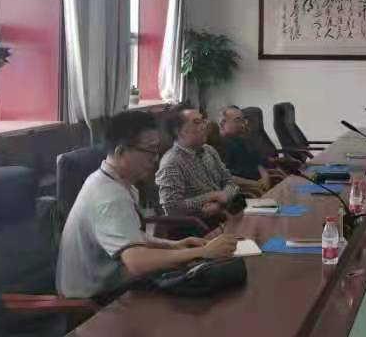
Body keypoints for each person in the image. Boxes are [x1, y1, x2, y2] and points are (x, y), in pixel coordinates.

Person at [56, 111, 238, 300]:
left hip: (114, 281)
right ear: (120, 152)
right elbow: (136, 262)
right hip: (96, 298)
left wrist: (174, 245)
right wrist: (202, 252)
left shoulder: (109, 179)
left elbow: (128, 234)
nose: (155, 159)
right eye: (149, 151)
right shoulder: (110, 197)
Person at [156, 108, 242, 221]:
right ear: (179, 131)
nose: (204, 126)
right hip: (201, 225)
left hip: (227, 212)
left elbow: (229, 182)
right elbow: (171, 207)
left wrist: (219, 203)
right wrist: (211, 196)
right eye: (197, 122)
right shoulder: (171, 162)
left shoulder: (209, 150)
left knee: (257, 218)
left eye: (203, 121)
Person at [217, 105, 271, 196]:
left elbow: (259, 164)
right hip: (248, 194)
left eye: (243, 120)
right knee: (292, 188)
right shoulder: (220, 146)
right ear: (223, 123)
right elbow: (225, 178)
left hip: (263, 190)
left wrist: (265, 177)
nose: (243, 124)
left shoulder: (243, 140)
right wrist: (256, 184)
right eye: (238, 120)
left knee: (294, 185)